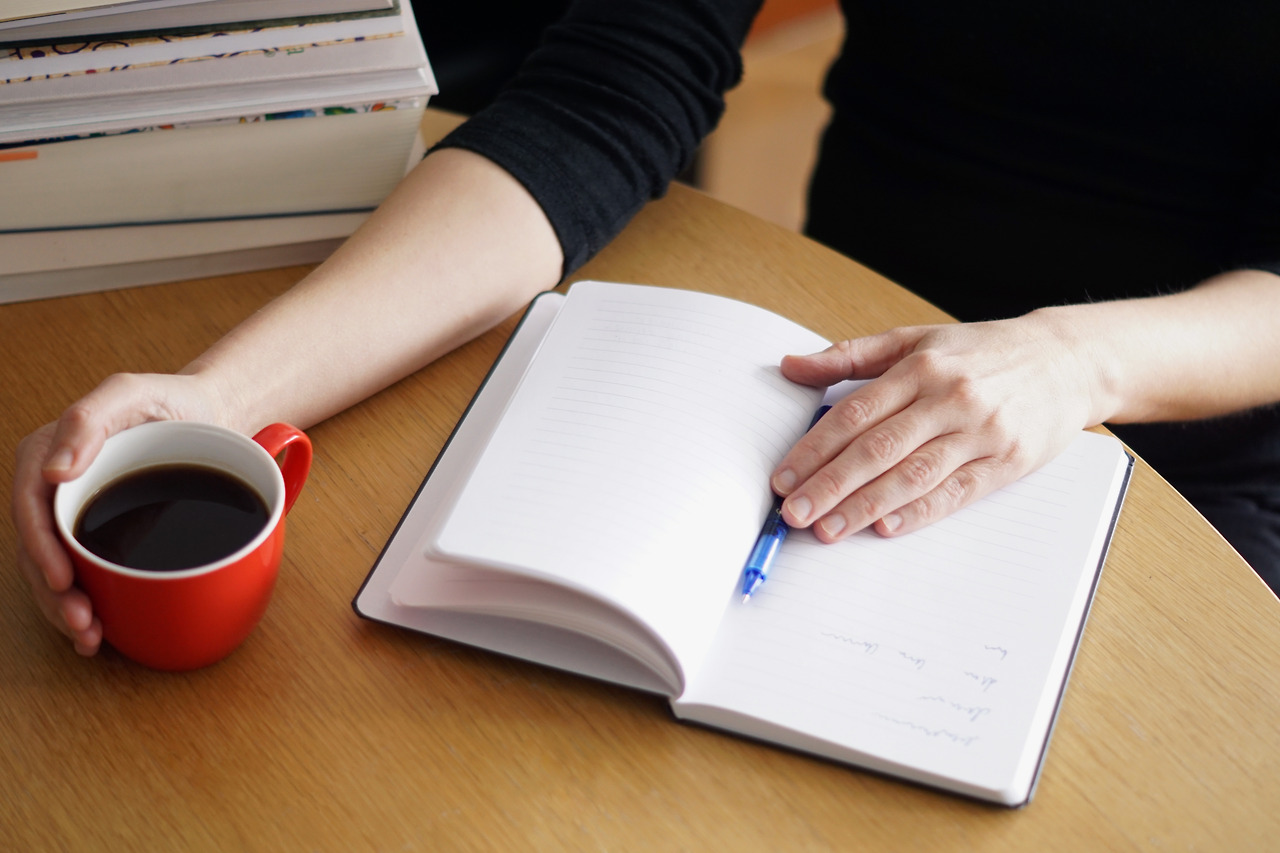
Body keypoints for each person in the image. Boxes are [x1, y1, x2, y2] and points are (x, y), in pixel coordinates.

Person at [13, 0, 1280, 657]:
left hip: (1183, 431)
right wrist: (226, 396)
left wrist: (1071, 359)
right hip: (832, 374)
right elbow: (608, 89)